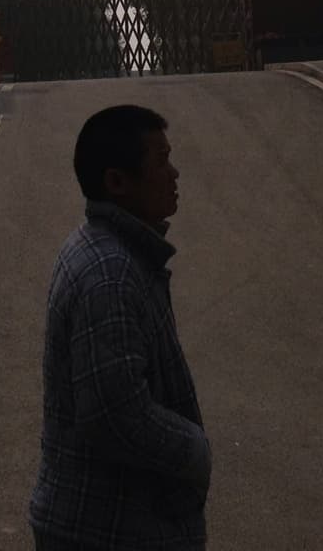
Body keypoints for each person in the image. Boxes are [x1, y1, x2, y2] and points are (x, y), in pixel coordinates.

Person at [30, 106, 208, 551]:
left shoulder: (110, 250)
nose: (174, 173)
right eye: (161, 160)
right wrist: (195, 449)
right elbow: (114, 414)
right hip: (109, 529)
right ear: (117, 181)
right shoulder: (111, 274)